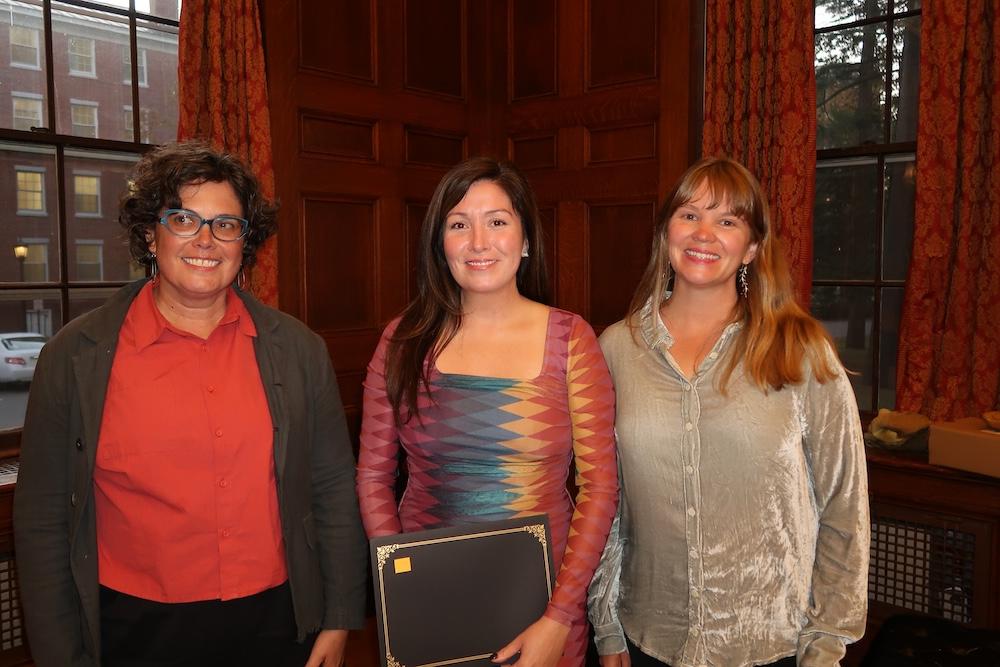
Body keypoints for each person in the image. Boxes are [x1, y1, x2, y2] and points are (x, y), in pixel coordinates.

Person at [13, 141, 368, 667]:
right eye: (184, 218)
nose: (206, 239)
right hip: (133, 627)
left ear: (244, 244)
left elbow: (334, 489)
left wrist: (340, 617)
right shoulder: (75, 356)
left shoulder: (297, 350)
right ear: (151, 235)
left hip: (277, 618)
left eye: (226, 224)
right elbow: (42, 519)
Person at [588, 157, 870, 667]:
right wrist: (606, 626)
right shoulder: (615, 349)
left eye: (728, 221)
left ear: (753, 247)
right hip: (646, 639)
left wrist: (826, 640)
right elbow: (608, 500)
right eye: (689, 214)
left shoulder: (800, 349)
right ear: (666, 232)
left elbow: (844, 507)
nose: (704, 234)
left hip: (771, 648)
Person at [356, 157, 618, 667]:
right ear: (440, 244)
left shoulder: (570, 340)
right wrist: (402, 588)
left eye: (497, 221)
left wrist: (559, 618)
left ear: (524, 240)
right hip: (431, 603)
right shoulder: (401, 341)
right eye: (459, 225)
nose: (479, 241)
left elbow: (600, 486)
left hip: (543, 605)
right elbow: (371, 477)